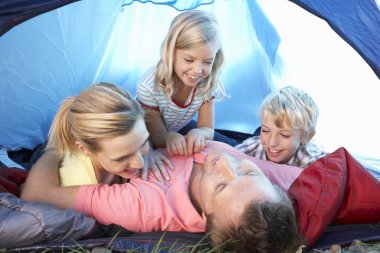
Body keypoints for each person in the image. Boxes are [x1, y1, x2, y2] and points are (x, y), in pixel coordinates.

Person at [22, 141, 303, 253]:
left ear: (206, 214)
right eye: (250, 174)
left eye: (221, 187)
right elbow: (306, 174)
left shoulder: (144, 204)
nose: (226, 164)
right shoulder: (263, 186)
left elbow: (37, 194)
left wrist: (56, 146)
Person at [136, 10, 238, 157]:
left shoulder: (207, 82)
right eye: (189, 60)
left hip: (181, 128)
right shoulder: (150, 86)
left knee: (234, 148)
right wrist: (168, 137)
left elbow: (207, 128)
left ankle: (257, 141)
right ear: (170, 52)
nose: (198, 70)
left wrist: (200, 132)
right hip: (149, 135)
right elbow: (157, 135)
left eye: (207, 61)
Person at [44, 82, 173, 186]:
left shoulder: (125, 143)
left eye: (142, 143)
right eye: (121, 158)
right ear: (85, 149)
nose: (140, 163)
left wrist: (149, 150)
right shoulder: (80, 186)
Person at [236, 86, 327, 168]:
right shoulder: (252, 147)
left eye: (284, 135)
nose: (272, 143)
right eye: (265, 130)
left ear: (307, 136)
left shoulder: (313, 162)